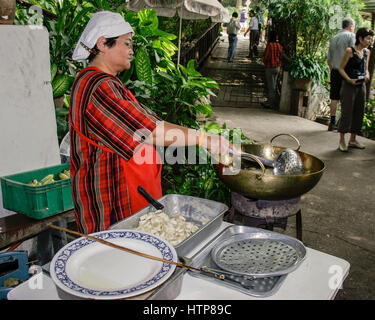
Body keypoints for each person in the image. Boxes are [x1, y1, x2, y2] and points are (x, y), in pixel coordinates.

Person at [70, 11, 233, 234]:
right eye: (126, 43)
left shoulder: (103, 82)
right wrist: (205, 139)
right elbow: (147, 131)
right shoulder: (98, 86)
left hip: (125, 197)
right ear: (102, 44)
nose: (131, 51)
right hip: (111, 206)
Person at [337, 27, 373, 152]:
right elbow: (341, 68)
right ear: (360, 38)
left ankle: (353, 139)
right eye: (368, 38)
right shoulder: (349, 51)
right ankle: (342, 141)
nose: (370, 41)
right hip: (349, 85)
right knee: (347, 112)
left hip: (361, 85)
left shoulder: (367, 52)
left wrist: (367, 74)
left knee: (359, 111)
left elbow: (366, 68)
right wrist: (348, 79)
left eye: (370, 38)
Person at [327, 17, 356, 131]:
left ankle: (332, 122)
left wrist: (333, 69)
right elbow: (353, 54)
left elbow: (329, 59)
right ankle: (344, 124)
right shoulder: (351, 36)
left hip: (334, 70)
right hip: (345, 71)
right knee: (346, 97)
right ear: (351, 27)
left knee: (334, 97)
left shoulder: (334, 38)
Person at [262, 31, 288, 109]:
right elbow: (282, 55)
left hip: (270, 67)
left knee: (271, 86)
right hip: (277, 67)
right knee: (274, 85)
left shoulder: (269, 45)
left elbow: (266, 57)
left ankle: (270, 103)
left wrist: (264, 62)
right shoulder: (279, 45)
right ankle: (270, 101)